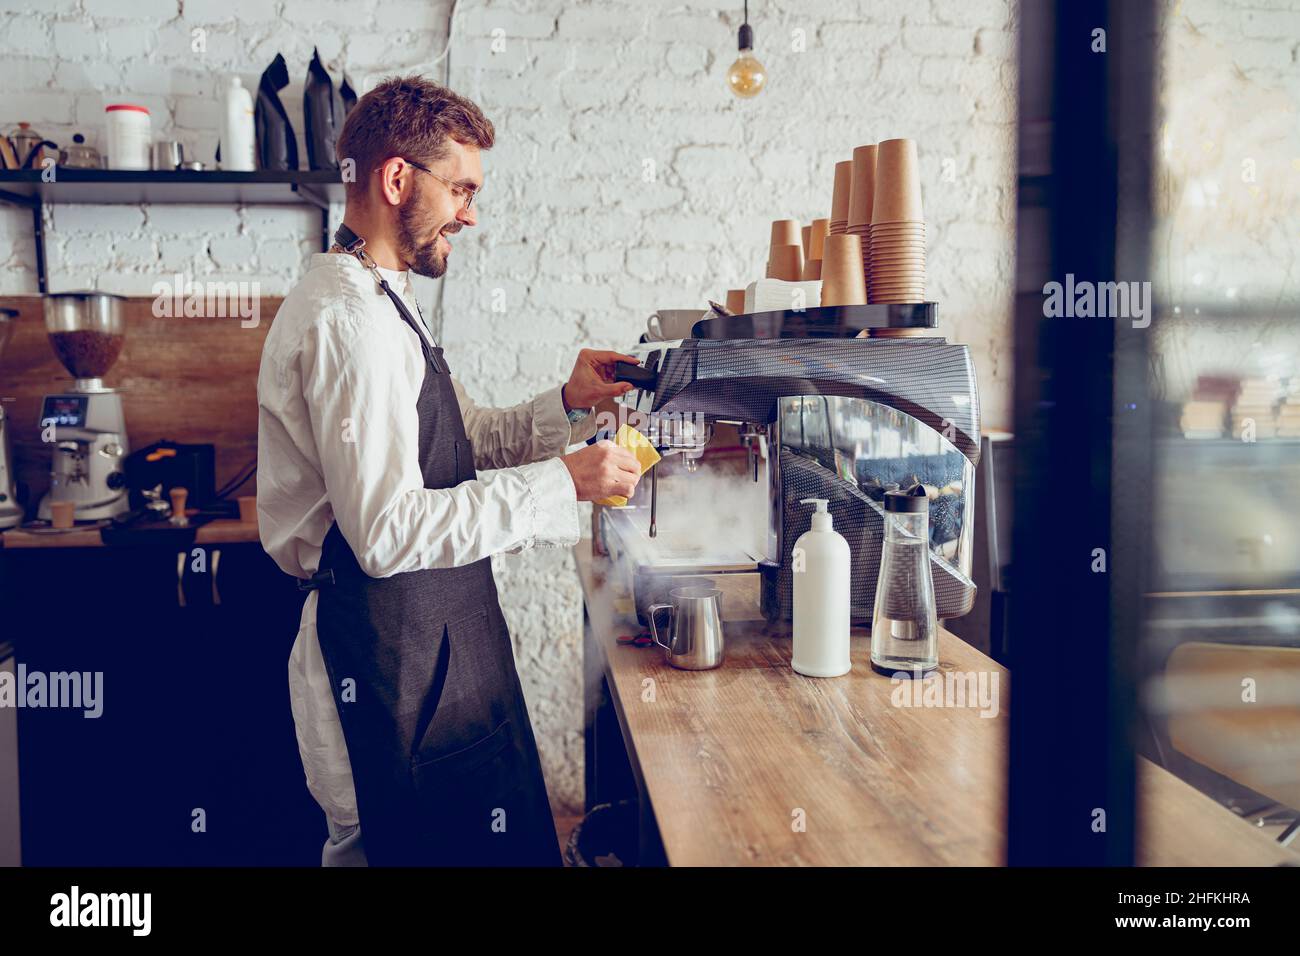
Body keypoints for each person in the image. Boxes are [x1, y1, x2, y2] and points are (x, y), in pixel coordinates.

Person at [256, 75, 643, 866]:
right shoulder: (347, 323)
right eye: (461, 188)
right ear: (398, 178)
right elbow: (388, 532)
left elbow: (466, 438)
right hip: (376, 654)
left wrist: (569, 402)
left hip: (426, 637)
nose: (471, 212)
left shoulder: (387, 301)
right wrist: (564, 482)